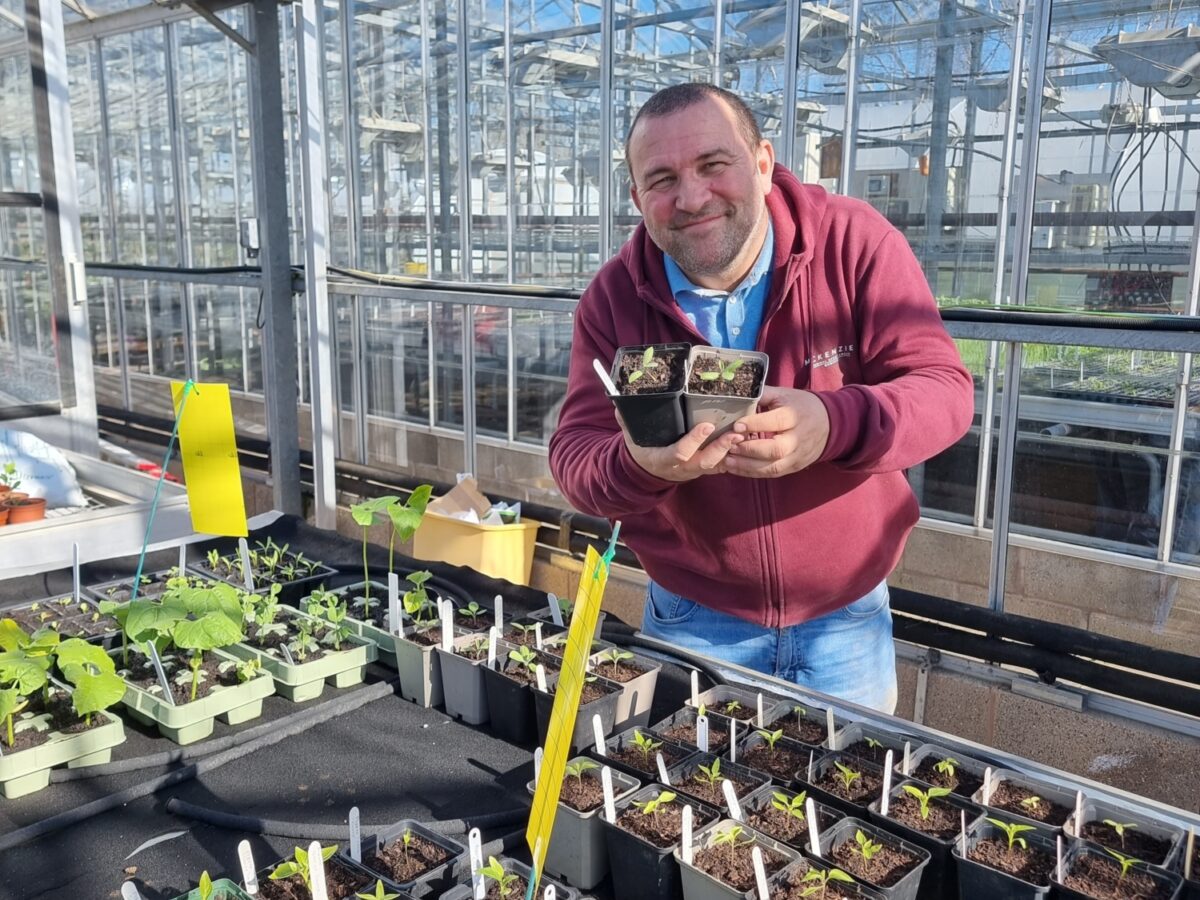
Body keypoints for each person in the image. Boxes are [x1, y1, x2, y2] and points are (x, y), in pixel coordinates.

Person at [548, 83, 974, 713]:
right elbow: (575, 456)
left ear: (765, 164)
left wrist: (832, 424)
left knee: (845, 803)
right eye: (662, 179)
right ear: (638, 199)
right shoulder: (614, 300)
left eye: (713, 165)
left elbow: (943, 391)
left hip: (846, 623)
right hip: (695, 618)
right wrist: (641, 465)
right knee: (691, 799)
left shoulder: (853, 245)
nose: (692, 197)